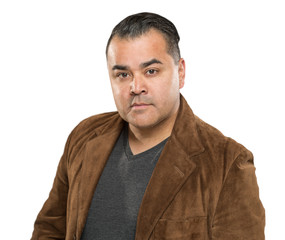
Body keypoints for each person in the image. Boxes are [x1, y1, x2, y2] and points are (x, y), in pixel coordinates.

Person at [31, 12, 265, 240]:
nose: (136, 87)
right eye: (122, 74)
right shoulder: (84, 136)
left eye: (151, 71)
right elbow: (50, 229)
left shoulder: (227, 163)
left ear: (180, 73)